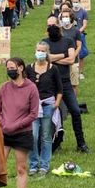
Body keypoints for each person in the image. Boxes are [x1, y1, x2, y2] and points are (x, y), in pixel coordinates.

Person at [0, 57, 39, 188]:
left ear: (20, 68)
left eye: (12, 67)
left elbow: (33, 114)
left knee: (21, 168)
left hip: (22, 133)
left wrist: (16, 125)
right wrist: (3, 124)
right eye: (8, 68)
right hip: (4, 132)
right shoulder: (3, 88)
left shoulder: (31, 88)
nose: (10, 70)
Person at [43, 15, 89, 153]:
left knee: (75, 111)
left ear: (59, 26)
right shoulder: (44, 42)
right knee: (52, 113)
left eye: (53, 25)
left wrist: (53, 59)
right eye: (49, 26)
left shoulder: (68, 40)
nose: (51, 28)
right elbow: (47, 58)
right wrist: (63, 55)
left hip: (65, 82)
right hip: (50, 84)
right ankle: (55, 141)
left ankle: (81, 143)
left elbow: (71, 60)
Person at [26, 42, 61, 176]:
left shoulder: (53, 69)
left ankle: (44, 165)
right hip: (33, 107)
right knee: (33, 136)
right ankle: (33, 164)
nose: (40, 52)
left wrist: (56, 104)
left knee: (46, 136)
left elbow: (59, 88)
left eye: (42, 50)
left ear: (46, 53)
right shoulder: (29, 68)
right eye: (38, 50)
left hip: (48, 105)